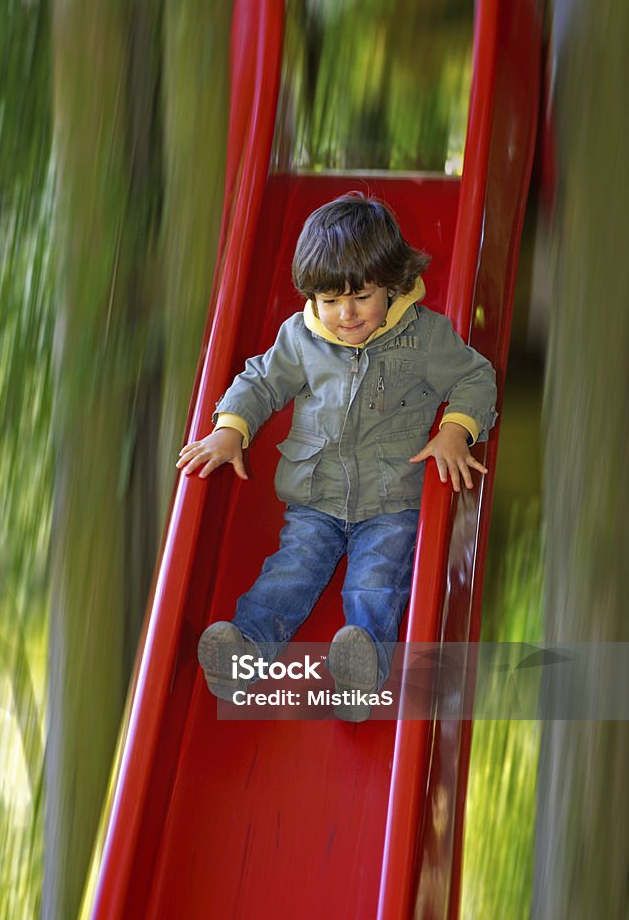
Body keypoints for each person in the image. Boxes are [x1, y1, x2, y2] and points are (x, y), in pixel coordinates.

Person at [177, 194, 497, 721]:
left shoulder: (424, 337)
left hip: (391, 502)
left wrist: (454, 430)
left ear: (392, 285)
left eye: (361, 298)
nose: (344, 315)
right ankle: (245, 653)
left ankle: (361, 670)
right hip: (316, 499)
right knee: (290, 571)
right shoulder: (301, 338)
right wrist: (230, 428)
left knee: (376, 580)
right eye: (328, 300)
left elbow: (475, 376)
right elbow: (260, 381)